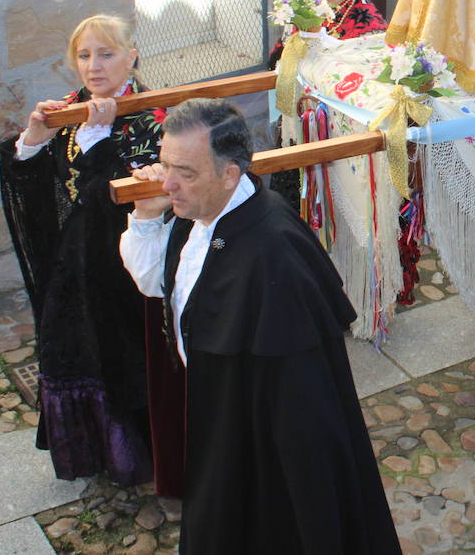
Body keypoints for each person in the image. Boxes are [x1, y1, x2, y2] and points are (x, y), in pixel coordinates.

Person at [120, 99, 401, 554]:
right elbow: (158, 283)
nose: (168, 183)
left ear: (229, 174)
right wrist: (148, 215)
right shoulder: (200, 213)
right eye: (165, 165)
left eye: (185, 172)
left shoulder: (276, 254)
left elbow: (306, 413)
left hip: (261, 447)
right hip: (222, 419)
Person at [0, 15, 173, 490]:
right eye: (84, 55)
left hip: (130, 262)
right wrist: (35, 136)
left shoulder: (155, 115)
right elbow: (32, 180)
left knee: (129, 353)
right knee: (79, 350)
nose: (94, 67)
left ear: (132, 55)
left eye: (106, 54)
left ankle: (154, 457)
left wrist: (96, 143)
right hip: (77, 261)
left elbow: (124, 193)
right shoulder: (73, 109)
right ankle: (104, 454)